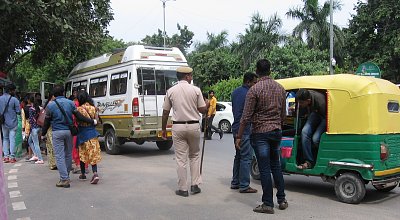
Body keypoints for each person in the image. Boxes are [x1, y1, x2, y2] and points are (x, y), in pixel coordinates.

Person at [235, 59, 288, 214]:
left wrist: (239, 136)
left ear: (257, 71)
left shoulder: (254, 90)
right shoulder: (280, 89)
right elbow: (283, 115)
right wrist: (278, 125)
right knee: (276, 166)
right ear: (270, 70)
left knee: (264, 168)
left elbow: (246, 117)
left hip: (261, 133)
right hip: (276, 131)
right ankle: (282, 199)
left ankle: (267, 204)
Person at [161, 66, 208, 197]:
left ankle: (182, 189)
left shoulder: (170, 91)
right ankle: (194, 185)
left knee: (181, 159)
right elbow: (203, 110)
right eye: (191, 75)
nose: (192, 77)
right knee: (194, 156)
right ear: (186, 76)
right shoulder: (196, 90)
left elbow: (165, 112)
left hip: (178, 127)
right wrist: (207, 104)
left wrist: (163, 129)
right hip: (193, 126)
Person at [41, 85, 97, 188]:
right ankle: (65, 175)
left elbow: (47, 122)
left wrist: (43, 133)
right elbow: (79, 116)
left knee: (59, 155)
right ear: (63, 93)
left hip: (57, 132)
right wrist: (91, 121)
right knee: (68, 154)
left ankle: (64, 178)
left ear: (53, 95)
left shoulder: (51, 105)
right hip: (69, 132)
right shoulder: (70, 103)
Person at [230, 72, 258, 193]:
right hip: (245, 129)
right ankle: (244, 185)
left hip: (236, 127)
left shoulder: (235, 92)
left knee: (239, 156)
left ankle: (235, 182)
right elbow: (247, 115)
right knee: (246, 157)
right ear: (248, 82)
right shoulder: (250, 93)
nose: (255, 85)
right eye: (254, 83)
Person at [295, 89, 326, 170]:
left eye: (301, 103)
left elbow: (326, 117)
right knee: (304, 132)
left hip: (325, 116)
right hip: (315, 113)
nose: (300, 105)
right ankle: (309, 161)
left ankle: (320, 159)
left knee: (315, 139)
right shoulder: (304, 97)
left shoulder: (321, 101)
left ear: (308, 101)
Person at [75, 90, 102, 184]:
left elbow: (77, 121)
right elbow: (96, 121)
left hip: (83, 134)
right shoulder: (93, 108)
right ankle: (95, 173)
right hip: (93, 134)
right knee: (93, 154)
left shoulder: (78, 109)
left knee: (83, 154)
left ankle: (83, 174)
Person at [1, 84, 21, 163]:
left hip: (3, 122)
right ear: (10, 91)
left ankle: (6, 157)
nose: (14, 91)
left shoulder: (0, 98)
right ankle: (12, 157)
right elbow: (18, 111)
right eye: (14, 90)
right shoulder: (14, 100)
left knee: (5, 139)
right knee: (12, 139)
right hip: (13, 122)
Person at [27, 95, 44, 164]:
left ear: (29, 101)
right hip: (39, 127)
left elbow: (31, 120)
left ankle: (40, 159)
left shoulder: (31, 109)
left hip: (34, 128)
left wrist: (29, 128)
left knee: (35, 143)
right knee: (29, 141)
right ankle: (36, 155)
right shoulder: (40, 108)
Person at [43, 94, 57, 170]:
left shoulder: (48, 104)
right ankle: (54, 163)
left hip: (50, 128)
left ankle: (52, 163)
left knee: (50, 146)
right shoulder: (52, 104)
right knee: (53, 145)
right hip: (52, 127)